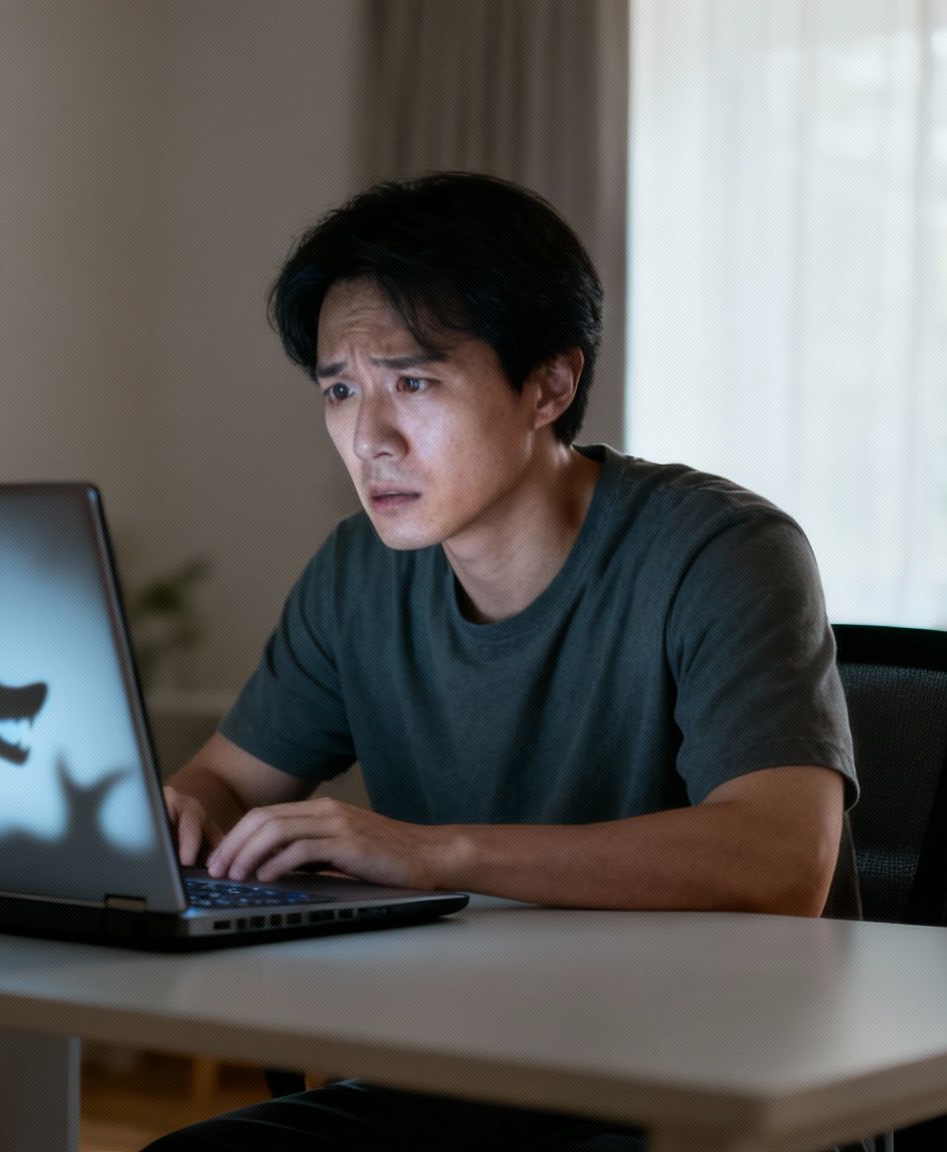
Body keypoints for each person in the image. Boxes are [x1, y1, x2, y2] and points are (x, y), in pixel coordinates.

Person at [145, 173, 866, 1152]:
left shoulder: (720, 550)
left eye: (412, 382)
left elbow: (780, 862)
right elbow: (223, 781)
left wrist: (431, 855)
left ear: (547, 385)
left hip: (714, 1085)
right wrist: (183, 815)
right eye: (339, 390)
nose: (369, 438)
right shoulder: (356, 573)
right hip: (461, 1071)